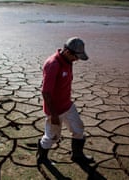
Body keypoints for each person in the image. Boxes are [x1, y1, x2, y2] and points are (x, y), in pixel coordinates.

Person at [37, 37, 94, 165]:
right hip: (55, 110)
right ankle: (42, 158)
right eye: (76, 56)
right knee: (52, 137)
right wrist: (54, 115)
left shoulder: (68, 61)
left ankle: (77, 155)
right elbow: (46, 92)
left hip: (67, 105)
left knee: (78, 129)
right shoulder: (53, 65)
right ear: (68, 52)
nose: (77, 60)